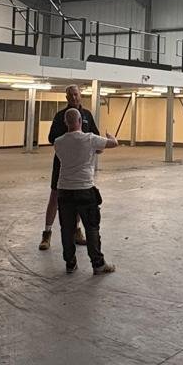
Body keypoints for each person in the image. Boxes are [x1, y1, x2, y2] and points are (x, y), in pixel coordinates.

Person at [52, 107, 118, 274]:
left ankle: (70, 263)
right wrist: (110, 137)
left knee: (67, 229)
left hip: (64, 190)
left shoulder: (58, 142)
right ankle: (98, 264)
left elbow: (72, 151)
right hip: (84, 189)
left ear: (65, 122)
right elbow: (112, 144)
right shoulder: (90, 139)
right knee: (91, 228)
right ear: (81, 121)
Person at [40, 84, 98, 251]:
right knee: (55, 196)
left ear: (81, 95)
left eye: (76, 94)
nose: (74, 97)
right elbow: (52, 138)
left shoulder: (87, 115)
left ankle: (77, 230)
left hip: (82, 166)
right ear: (66, 98)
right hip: (62, 164)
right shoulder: (60, 116)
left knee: (80, 197)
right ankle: (47, 233)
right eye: (70, 95)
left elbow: (94, 134)